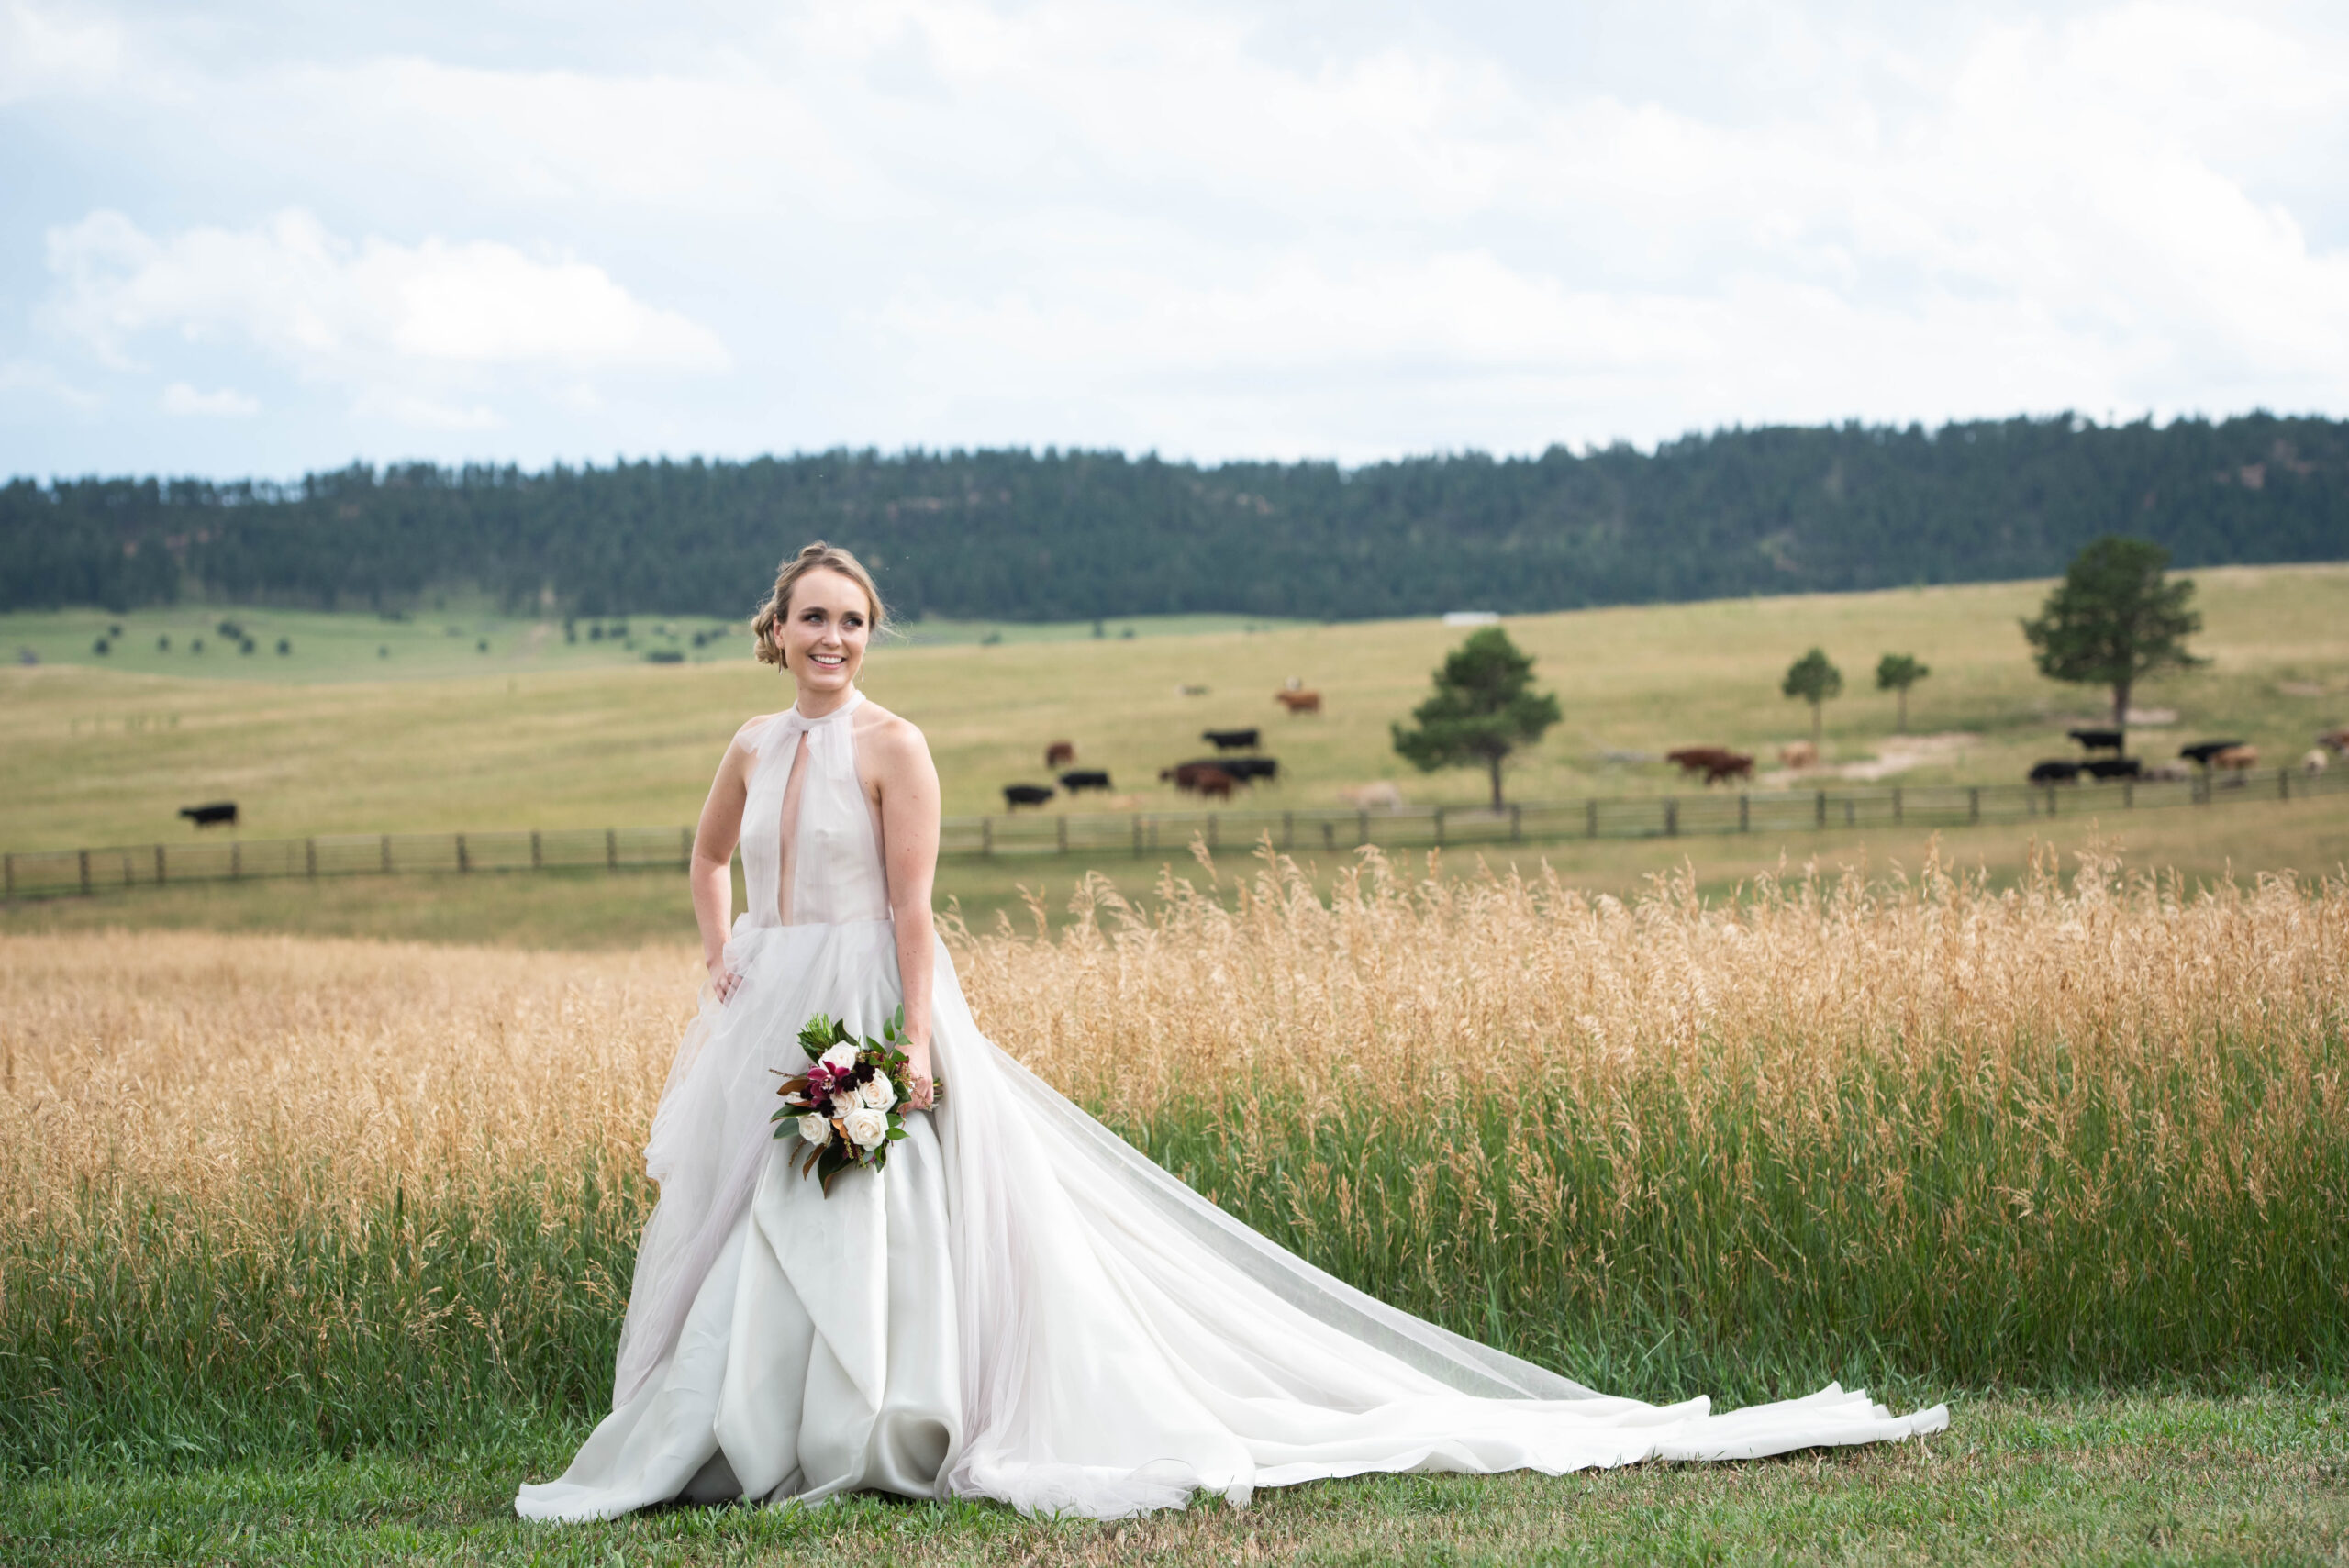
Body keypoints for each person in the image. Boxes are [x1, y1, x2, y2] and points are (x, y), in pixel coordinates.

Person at [516, 542, 1947, 1523]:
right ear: (775, 632)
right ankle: (743, 1433)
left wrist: (925, 1040)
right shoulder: (750, 746)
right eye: (811, 618)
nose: (832, 638)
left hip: (873, 997)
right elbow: (706, 860)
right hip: (768, 993)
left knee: (866, 1210)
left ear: (870, 637)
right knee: (740, 1211)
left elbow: (912, 908)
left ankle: (870, 1427)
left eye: (853, 620)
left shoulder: (898, 744)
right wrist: (721, 958)